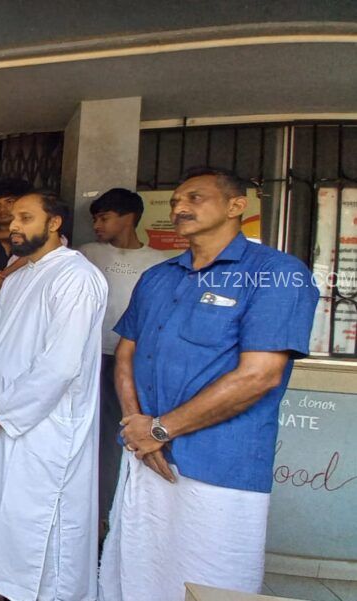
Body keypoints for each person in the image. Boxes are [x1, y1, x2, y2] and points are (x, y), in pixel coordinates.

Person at [99, 168, 318, 601]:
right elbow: (125, 354)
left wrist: (160, 429)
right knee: (138, 567)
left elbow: (259, 375)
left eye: (195, 198)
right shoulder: (159, 277)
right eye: (176, 201)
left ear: (237, 206)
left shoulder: (277, 274)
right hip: (145, 453)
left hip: (219, 462)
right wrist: (137, 425)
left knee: (212, 579)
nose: (179, 207)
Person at [0, 190, 107, 600]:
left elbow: (60, 365)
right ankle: (8, 591)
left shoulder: (75, 277)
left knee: (43, 521)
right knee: (8, 516)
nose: (13, 226)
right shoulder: (18, 276)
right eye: (12, 219)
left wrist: (3, 410)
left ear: (54, 223)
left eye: (25, 218)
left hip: (45, 427)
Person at [76, 188, 169, 530]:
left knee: (123, 435)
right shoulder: (86, 254)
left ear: (128, 218)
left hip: (132, 364)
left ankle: (117, 514)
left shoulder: (159, 262)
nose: (97, 225)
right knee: (86, 434)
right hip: (88, 358)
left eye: (104, 218)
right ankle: (89, 512)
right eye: (95, 219)